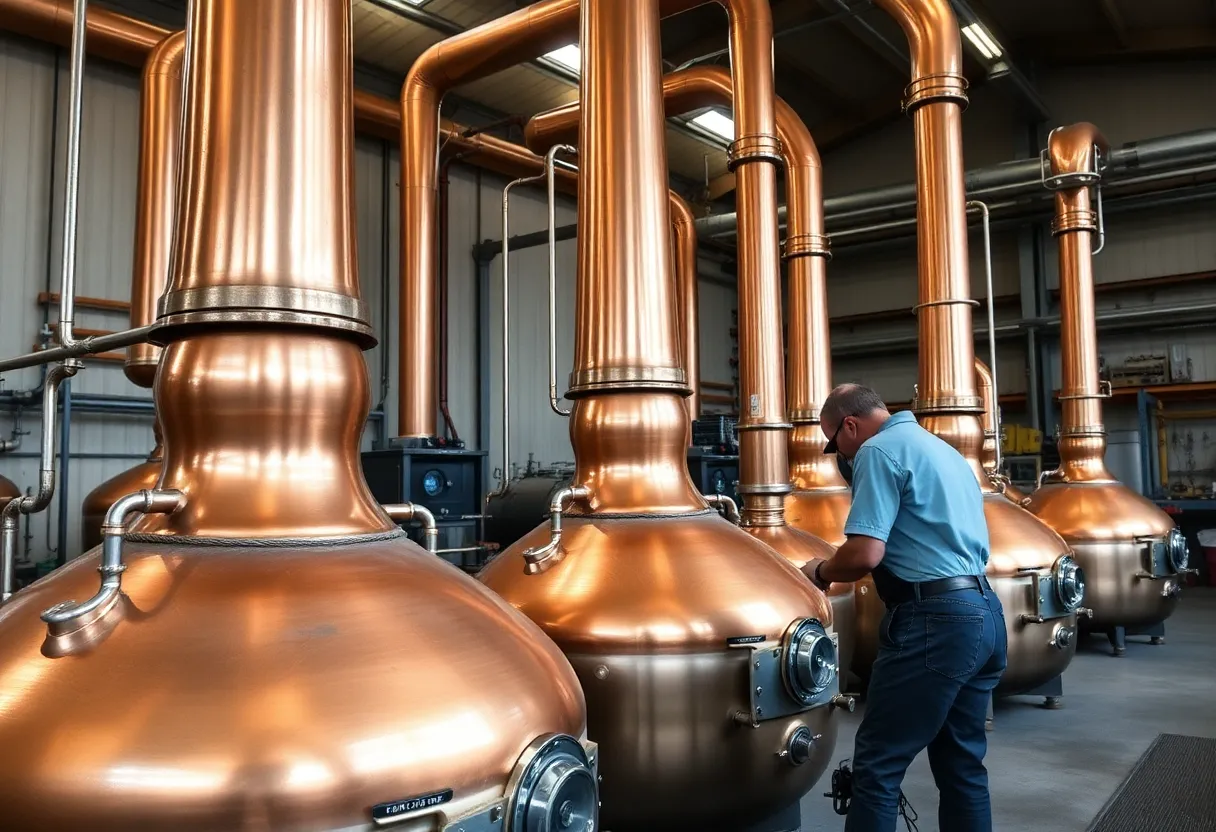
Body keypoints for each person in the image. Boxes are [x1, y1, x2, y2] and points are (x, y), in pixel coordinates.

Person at [804, 383, 1008, 832]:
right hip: (985, 614)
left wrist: (819, 572)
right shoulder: (945, 451)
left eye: (834, 440)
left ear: (850, 426)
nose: (838, 452)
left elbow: (864, 554)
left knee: (877, 766)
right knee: (963, 767)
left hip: (934, 623)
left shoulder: (878, 451)